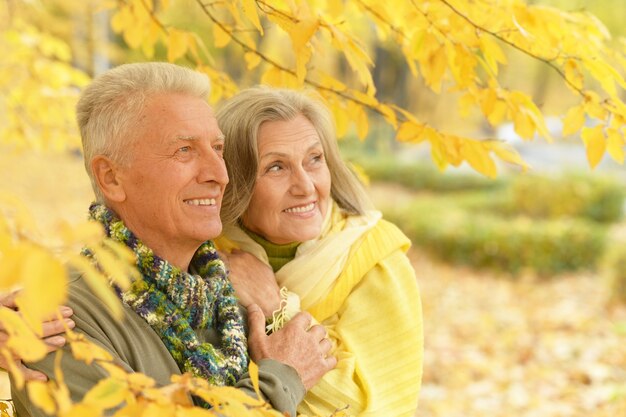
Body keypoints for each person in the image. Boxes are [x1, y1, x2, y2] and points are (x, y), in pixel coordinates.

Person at [10, 63, 336, 417]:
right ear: (111, 177)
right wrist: (279, 382)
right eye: (184, 150)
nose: (220, 174)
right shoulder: (58, 323)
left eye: (217, 148)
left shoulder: (234, 298)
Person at [215, 87, 424, 417]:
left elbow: (359, 407)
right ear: (237, 184)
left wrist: (274, 305)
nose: (306, 186)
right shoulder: (208, 255)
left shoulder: (375, 259)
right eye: (276, 168)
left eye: (314, 159)